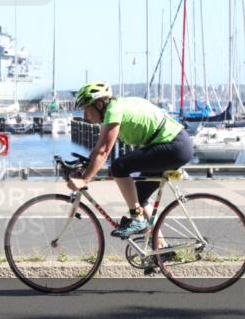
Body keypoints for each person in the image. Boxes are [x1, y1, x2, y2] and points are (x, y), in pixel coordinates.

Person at [68, 81, 194, 238]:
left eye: (86, 109)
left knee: (119, 166)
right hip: (175, 144)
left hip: (174, 146)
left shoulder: (113, 111)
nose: (85, 115)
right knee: (139, 197)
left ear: (99, 104)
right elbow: (98, 148)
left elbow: (103, 151)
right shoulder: (117, 106)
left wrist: (85, 179)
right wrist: (86, 167)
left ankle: (137, 219)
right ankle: (160, 246)